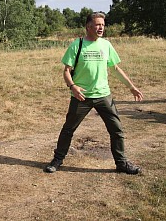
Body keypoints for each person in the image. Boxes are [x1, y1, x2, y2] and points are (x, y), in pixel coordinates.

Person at [45, 12, 143, 174]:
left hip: (104, 95)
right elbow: (66, 71)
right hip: (81, 96)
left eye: (103, 25)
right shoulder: (77, 44)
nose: (101, 28)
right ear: (88, 26)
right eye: (97, 25)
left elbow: (116, 69)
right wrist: (72, 86)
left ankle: (122, 163)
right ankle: (57, 160)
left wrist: (131, 86)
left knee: (116, 129)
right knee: (68, 129)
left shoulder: (106, 45)